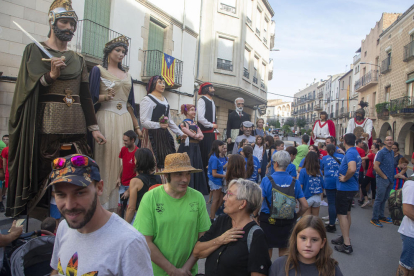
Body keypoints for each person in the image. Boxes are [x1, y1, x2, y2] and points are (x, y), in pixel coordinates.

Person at [7, 0, 107, 218]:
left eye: (72, 24)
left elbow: (84, 95)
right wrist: (49, 77)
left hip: (76, 129)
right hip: (46, 129)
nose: (69, 28)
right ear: (52, 22)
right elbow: (26, 89)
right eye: (64, 22)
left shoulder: (78, 59)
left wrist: (94, 127)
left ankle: (72, 218)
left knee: (76, 178)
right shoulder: (34, 51)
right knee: (47, 180)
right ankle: (44, 224)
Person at [48, 154, 153, 275]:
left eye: (80, 193)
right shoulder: (64, 227)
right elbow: (56, 271)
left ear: (99, 188)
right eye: (61, 195)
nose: (69, 205)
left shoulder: (129, 243)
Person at [134, 153, 211, 275]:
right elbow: (145, 241)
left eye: (188, 174)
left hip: (188, 273)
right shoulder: (151, 198)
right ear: (166, 176)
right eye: (179, 174)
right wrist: (173, 271)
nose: (185, 179)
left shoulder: (197, 197)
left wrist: (186, 268)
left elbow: (202, 237)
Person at [89, 36, 141, 211]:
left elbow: (130, 104)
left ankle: (123, 202)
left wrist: (137, 127)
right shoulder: (98, 70)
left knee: (127, 159)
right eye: (117, 50)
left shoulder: (128, 75)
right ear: (109, 52)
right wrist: (105, 97)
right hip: (106, 116)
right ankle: (103, 202)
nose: (121, 54)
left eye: (123, 52)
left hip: (125, 118)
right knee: (107, 156)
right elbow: (89, 98)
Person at [193, 179, 271, 276]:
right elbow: (197, 251)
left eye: (229, 194)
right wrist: (220, 240)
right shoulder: (222, 221)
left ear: (242, 204)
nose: (224, 198)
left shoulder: (256, 236)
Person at [259, 151, 308, 258]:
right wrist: (297, 216)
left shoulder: (266, 180)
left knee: (267, 249)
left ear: (275, 163)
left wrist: (255, 216)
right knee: (285, 251)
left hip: (268, 220)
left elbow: (259, 202)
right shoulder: (295, 182)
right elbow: (305, 205)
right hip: (288, 220)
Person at [140, 76, 185, 182]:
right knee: (154, 160)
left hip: (164, 135)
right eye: (159, 82)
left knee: (168, 158)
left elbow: (169, 120)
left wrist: (180, 133)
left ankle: (167, 183)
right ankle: (154, 184)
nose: (163, 84)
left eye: (163, 82)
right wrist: (158, 125)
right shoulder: (148, 99)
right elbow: (144, 121)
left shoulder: (165, 100)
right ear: (153, 84)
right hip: (152, 135)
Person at [269, 215, 343, 276]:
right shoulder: (279, 265)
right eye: (303, 238)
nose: (308, 244)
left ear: (322, 243)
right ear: (295, 239)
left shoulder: (332, 269)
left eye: (314, 240)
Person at [331, 133, 361, 254]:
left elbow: (352, 168)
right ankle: (344, 237)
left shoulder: (351, 153)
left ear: (344, 141)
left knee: (342, 215)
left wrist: (345, 178)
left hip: (345, 188)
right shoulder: (354, 152)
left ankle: (347, 244)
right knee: (347, 213)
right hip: (350, 188)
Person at [125, 148, 161, 225]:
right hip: (155, 217)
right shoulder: (158, 178)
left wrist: (125, 225)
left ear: (138, 161)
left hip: (140, 217)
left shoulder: (135, 181)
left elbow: (131, 208)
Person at [178, 104, 207, 195]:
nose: (194, 112)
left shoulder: (195, 124)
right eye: (191, 110)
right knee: (188, 166)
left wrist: (197, 136)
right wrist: (196, 136)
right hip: (187, 148)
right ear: (186, 112)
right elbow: (190, 133)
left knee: (195, 166)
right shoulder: (184, 123)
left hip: (195, 147)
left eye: (194, 110)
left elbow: (201, 135)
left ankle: (195, 189)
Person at [371, 136, 395, 228]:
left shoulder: (391, 152)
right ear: (384, 142)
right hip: (382, 179)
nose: (389, 141)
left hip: (390, 179)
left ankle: (381, 216)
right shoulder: (381, 153)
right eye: (387, 140)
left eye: (391, 140)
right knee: (379, 199)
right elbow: (376, 166)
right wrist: (384, 176)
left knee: (384, 198)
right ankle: (374, 218)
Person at [321, 144, 344, 232]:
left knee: (331, 203)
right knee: (338, 202)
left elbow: (322, 169)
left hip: (329, 181)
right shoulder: (342, 157)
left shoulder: (324, 158)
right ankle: (338, 219)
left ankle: (332, 223)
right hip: (340, 181)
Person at [198, 82, 218, 179]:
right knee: (206, 157)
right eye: (211, 87)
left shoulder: (212, 101)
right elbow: (200, 118)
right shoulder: (202, 100)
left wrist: (215, 128)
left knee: (212, 157)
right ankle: (205, 181)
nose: (213, 89)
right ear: (206, 89)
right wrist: (211, 125)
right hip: (205, 135)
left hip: (212, 134)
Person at [115, 130, 138, 215]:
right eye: (123, 140)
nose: (124, 142)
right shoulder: (123, 150)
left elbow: (138, 174)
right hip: (123, 184)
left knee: (129, 208)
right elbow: (123, 165)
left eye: (126, 141)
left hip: (131, 185)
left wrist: (129, 190)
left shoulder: (137, 153)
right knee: (120, 207)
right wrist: (118, 178)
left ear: (132, 140)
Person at [396, 179, 414, 276]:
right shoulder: (412, 184)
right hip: (411, 234)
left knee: (411, 267)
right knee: (405, 267)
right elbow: (407, 210)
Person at [299, 152, 324, 217]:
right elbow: (323, 185)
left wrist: (298, 199)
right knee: (314, 219)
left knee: (307, 220)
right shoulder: (319, 171)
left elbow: (300, 186)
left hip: (307, 197)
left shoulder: (303, 171)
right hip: (317, 197)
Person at [208, 140, 226, 221]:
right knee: (216, 200)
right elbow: (214, 173)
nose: (223, 149)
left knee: (221, 199)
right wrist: (225, 175)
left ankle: (212, 215)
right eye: (222, 147)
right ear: (217, 146)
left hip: (217, 181)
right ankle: (212, 217)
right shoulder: (214, 158)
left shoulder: (214, 156)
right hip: (215, 181)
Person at [360, 143, 379, 208]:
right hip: (375, 174)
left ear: (376, 149)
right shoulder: (378, 154)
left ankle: (366, 199)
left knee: (363, 186)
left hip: (369, 173)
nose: (371, 149)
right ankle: (373, 203)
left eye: (373, 148)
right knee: (373, 189)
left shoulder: (373, 155)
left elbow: (363, 158)